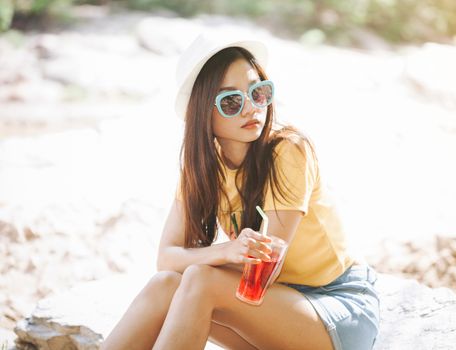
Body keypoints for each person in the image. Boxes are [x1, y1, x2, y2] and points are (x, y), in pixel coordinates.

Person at [101, 32, 380, 350]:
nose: (251, 108)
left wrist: (211, 260)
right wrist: (224, 251)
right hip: (272, 308)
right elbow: (166, 260)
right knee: (166, 284)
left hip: (336, 308)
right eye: (231, 101)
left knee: (199, 280)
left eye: (258, 93)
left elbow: (264, 271)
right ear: (202, 110)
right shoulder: (203, 168)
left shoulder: (288, 149)